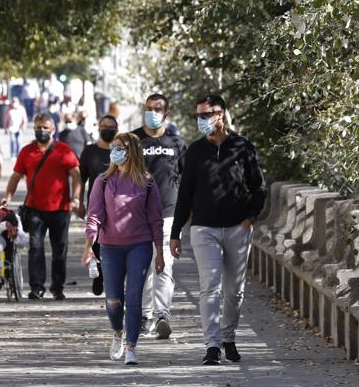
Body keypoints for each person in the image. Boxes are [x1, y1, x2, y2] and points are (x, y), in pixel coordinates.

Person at [170, 95, 267, 365]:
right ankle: (212, 346)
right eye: (198, 116)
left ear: (220, 114)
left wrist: (249, 218)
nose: (201, 120)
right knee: (209, 287)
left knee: (235, 290)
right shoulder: (195, 151)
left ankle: (228, 338)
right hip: (204, 229)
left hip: (238, 228)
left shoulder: (242, 146)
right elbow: (185, 194)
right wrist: (175, 233)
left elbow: (258, 186)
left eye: (206, 115)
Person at [83, 132, 165, 366]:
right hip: (110, 247)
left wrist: (159, 252)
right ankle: (118, 332)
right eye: (114, 147)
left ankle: (131, 347)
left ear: (132, 152)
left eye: (120, 147)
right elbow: (94, 215)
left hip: (140, 245)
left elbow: (155, 219)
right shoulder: (103, 181)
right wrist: (89, 246)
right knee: (113, 300)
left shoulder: (147, 182)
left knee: (134, 296)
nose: (115, 151)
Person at [0, 112, 83, 299]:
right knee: (35, 248)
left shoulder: (64, 151)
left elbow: (76, 176)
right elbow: (15, 176)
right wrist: (7, 196)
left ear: (53, 129)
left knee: (59, 250)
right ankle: (37, 287)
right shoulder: (26, 152)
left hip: (60, 209)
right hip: (35, 209)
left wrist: (75, 198)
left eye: (45, 128)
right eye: (38, 128)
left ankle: (57, 287)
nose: (42, 131)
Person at [134, 94, 188, 339]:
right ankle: (145, 315)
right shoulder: (133, 141)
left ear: (167, 112)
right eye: (148, 108)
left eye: (157, 109)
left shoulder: (177, 143)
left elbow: (188, 179)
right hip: (137, 215)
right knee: (143, 268)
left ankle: (162, 315)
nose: (152, 113)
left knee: (164, 265)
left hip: (168, 214)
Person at [78, 114, 119, 295]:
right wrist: (79, 202)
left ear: (116, 130)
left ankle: (113, 275)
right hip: (96, 204)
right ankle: (99, 276)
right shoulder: (89, 151)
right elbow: (81, 179)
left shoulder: (120, 152)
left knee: (114, 240)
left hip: (118, 205)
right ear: (98, 128)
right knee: (96, 240)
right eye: (104, 126)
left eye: (111, 127)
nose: (107, 129)